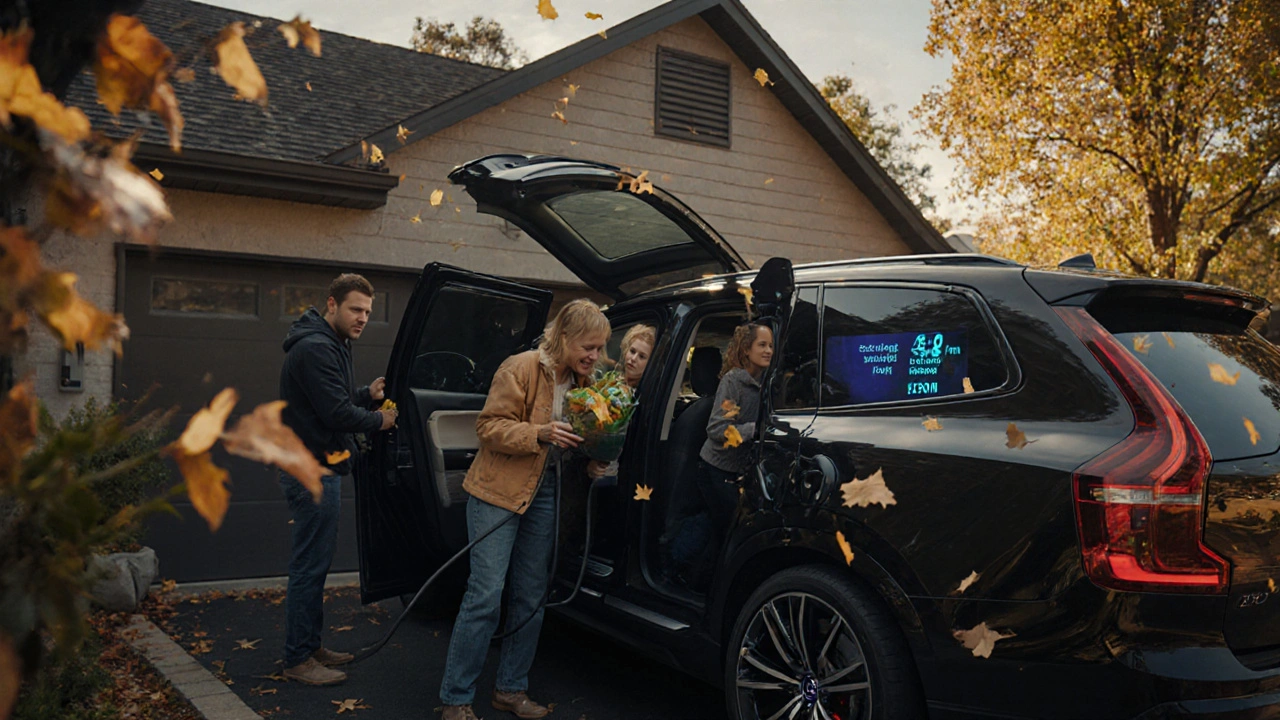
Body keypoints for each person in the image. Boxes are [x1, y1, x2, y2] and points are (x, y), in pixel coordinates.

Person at [440, 299, 610, 720]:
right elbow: (488, 427)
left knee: (531, 595)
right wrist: (539, 432)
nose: (595, 356)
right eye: (588, 347)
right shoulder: (521, 367)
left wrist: (596, 453)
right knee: (485, 595)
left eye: (600, 348)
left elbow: (582, 435)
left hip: (545, 491)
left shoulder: (588, 383)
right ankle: (456, 699)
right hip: (497, 491)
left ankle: (510, 690)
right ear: (565, 337)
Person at [277, 273, 398, 686]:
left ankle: (309, 646)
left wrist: (365, 393)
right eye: (355, 309)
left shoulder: (332, 343)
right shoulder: (315, 348)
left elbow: (334, 398)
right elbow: (335, 415)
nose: (363, 318)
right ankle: (297, 659)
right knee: (310, 566)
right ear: (332, 304)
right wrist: (380, 419)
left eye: (367, 311)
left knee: (316, 563)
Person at [669, 322, 774, 588]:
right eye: (762, 344)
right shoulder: (733, 382)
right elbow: (716, 429)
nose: (768, 350)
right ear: (746, 349)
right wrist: (754, 430)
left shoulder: (768, 384)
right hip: (715, 470)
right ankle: (691, 578)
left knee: (718, 525)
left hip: (739, 473)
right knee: (728, 531)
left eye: (771, 345)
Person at [587, 324, 656, 481]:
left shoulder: (646, 396)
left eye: (642, 356)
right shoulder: (609, 381)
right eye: (632, 351)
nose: (633, 359)